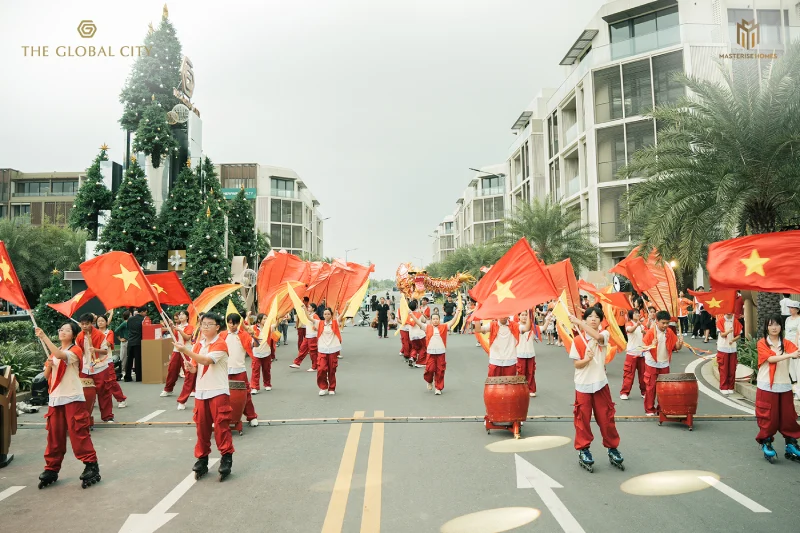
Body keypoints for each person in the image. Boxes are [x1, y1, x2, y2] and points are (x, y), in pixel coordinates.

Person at [35, 323, 101, 489]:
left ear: (73, 334)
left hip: (72, 397)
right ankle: (51, 468)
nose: (62, 331)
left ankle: (91, 464)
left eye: (66, 329)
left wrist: (43, 337)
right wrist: (49, 365)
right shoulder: (54, 351)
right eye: (60, 329)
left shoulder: (75, 350)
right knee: (54, 435)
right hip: (55, 398)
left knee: (78, 433)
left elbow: (60, 355)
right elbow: (45, 375)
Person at [172, 312, 235, 480]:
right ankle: (202, 458)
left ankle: (226, 457)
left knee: (221, 427)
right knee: (202, 428)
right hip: (201, 392)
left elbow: (207, 361)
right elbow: (195, 367)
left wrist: (186, 350)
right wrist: (190, 366)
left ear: (217, 327)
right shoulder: (198, 345)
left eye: (209, 324)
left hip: (218, 391)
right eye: (203, 324)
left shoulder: (220, 344)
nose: (205, 327)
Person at [567, 307, 624, 471]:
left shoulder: (604, 335)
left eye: (597, 317)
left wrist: (579, 322)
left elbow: (598, 336)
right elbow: (576, 365)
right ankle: (584, 450)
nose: (593, 319)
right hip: (583, 386)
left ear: (601, 321)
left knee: (606, 419)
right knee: (582, 420)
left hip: (600, 384)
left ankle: (612, 448)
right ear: (585, 319)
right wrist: (586, 359)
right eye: (589, 316)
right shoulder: (577, 341)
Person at [754, 315, 800, 463]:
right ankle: (766, 442)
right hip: (766, 385)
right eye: (770, 324)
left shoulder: (786, 343)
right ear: (766, 327)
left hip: (784, 385)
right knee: (768, 417)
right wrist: (790, 354)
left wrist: (795, 351)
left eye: (777, 324)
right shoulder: (762, 343)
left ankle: (791, 443)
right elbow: (770, 359)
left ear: (781, 326)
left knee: (788, 417)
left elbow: (796, 353)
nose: (774, 327)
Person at [641, 310, 684, 415]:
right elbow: (643, 348)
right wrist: (652, 344)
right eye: (663, 323)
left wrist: (680, 343)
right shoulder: (651, 332)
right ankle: (649, 409)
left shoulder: (669, 332)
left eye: (667, 323)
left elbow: (677, 347)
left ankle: (661, 408)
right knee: (651, 387)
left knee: (664, 387)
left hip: (664, 362)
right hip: (652, 362)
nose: (665, 325)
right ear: (657, 321)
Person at [220, 313, 259, 428]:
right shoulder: (222, 335)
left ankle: (252, 416)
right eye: (230, 323)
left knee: (246, 395)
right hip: (224, 370)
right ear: (227, 323)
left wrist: (254, 335)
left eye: (235, 323)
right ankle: (224, 418)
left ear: (238, 324)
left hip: (239, 370)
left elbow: (256, 344)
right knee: (223, 396)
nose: (232, 325)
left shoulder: (244, 335)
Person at [76, 313, 115, 423]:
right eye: (82, 324)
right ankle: (85, 417)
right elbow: (77, 352)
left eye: (86, 324)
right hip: (85, 368)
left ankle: (107, 416)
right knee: (84, 393)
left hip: (100, 367)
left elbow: (105, 351)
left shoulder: (100, 335)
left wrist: (95, 350)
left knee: (104, 392)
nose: (84, 326)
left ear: (91, 323)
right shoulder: (79, 336)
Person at [424, 308, 460, 395]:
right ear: (431, 320)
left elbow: (453, 321)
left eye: (437, 319)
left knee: (440, 370)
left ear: (439, 320)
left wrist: (457, 313)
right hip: (430, 352)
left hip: (441, 352)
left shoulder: (444, 327)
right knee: (430, 369)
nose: (435, 321)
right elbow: (418, 323)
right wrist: (411, 315)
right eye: (433, 319)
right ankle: (429, 381)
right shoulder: (427, 327)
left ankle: (438, 388)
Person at [161, 310, 194, 398]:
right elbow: (174, 337)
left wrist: (179, 330)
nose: (181, 316)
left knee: (188, 370)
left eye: (183, 314)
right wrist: (171, 326)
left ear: (187, 317)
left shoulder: (190, 327)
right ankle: (168, 389)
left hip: (186, 350)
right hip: (176, 350)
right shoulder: (177, 326)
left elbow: (187, 337)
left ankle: (192, 389)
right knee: (172, 369)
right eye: (180, 314)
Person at [96, 315, 127, 409]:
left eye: (102, 321)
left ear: (106, 322)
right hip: (96, 361)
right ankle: (92, 400)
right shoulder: (94, 333)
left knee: (111, 381)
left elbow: (108, 343)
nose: (100, 322)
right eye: (98, 321)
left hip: (107, 360)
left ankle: (121, 399)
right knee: (95, 382)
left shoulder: (109, 332)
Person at [620, 309, 646, 400]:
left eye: (638, 313)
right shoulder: (629, 324)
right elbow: (630, 331)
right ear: (631, 315)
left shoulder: (642, 326)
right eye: (635, 313)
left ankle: (644, 392)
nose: (638, 314)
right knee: (629, 374)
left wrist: (645, 332)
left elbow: (647, 336)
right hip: (631, 353)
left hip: (642, 353)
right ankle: (624, 392)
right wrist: (637, 325)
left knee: (643, 374)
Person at [316, 308, 342, 396]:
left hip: (332, 349)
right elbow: (309, 318)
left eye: (328, 314)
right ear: (323, 315)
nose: (327, 316)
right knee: (321, 369)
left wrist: (346, 306)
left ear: (331, 315)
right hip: (322, 349)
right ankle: (323, 387)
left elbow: (342, 316)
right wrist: (304, 309)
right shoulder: (319, 323)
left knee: (332, 370)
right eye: (325, 314)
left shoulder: (335, 322)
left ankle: (331, 388)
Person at [716, 311, 742, 395]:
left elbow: (739, 335)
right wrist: (729, 331)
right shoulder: (720, 321)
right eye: (727, 311)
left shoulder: (736, 321)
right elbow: (722, 334)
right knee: (723, 368)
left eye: (731, 311)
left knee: (732, 369)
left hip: (732, 348)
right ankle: (723, 387)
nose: (729, 313)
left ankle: (731, 387)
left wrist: (733, 340)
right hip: (723, 348)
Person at [290, 303, 319, 372]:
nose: (308, 308)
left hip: (313, 336)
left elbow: (317, 323)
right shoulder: (309, 314)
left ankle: (315, 366)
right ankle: (297, 363)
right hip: (308, 335)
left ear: (313, 309)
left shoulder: (315, 316)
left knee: (313, 352)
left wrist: (304, 309)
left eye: (309, 307)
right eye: (308, 307)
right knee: (302, 349)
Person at [516, 310, 537, 397]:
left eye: (526, 315)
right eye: (522, 315)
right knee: (521, 372)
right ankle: (521, 389)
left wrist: (548, 320)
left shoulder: (532, 326)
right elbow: (525, 329)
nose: (524, 316)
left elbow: (542, 329)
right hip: (520, 353)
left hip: (530, 353)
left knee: (531, 372)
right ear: (519, 316)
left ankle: (531, 389)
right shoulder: (516, 326)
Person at [251, 313, 273, 393]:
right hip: (256, 353)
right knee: (255, 370)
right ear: (259, 320)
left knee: (266, 370)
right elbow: (246, 327)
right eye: (264, 319)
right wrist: (247, 316)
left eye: (266, 318)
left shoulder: (269, 328)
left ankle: (267, 384)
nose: (266, 320)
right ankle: (254, 387)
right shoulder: (253, 328)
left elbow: (276, 324)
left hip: (266, 352)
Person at [782, 301, 800, 401]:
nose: (790, 309)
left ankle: (797, 388)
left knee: (797, 367)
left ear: (797, 309)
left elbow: (798, 333)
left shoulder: (799, 319)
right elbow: (786, 331)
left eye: (792, 308)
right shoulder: (788, 319)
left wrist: (796, 345)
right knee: (789, 366)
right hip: (787, 344)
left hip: (795, 345)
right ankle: (793, 385)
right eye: (789, 307)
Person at [125, 306, 146, 382]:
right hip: (138, 342)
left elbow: (128, 328)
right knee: (138, 360)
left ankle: (127, 377)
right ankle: (138, 377)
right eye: (145, 312)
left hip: (130, 341)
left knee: (129, 359)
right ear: (143, 311)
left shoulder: (130, 319)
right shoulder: (143, 320)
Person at [407, 300, 428, 368]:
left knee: (415, 348)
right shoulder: (419, 314)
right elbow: (424, 320)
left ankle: (412, 357)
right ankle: (420, 362)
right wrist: (421, 312)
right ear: (416, 306)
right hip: (420, 335)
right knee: (423, 348)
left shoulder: (408, 315)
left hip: (412, 335)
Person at [115, 310, 130, 380]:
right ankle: (123, 371)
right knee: (123, 357)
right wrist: (120, 339)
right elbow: (116, 330)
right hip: (124, 342)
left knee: (128, 356)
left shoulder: (130, 323)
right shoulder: (124, 323)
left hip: (129, 341)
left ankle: (127, 370)